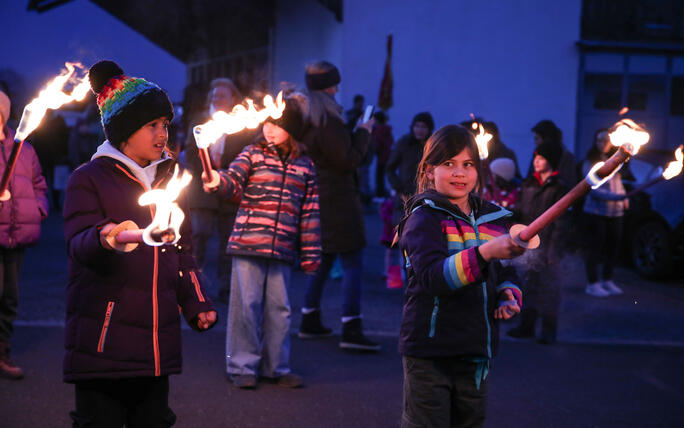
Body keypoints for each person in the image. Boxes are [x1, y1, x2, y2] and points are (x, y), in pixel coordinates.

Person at [63, 60, 216, 426]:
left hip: (154, 346)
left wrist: (195, 300)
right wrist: (106, 238)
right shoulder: (88, 179)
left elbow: (183, 250)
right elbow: (79, 243)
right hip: (104, 343)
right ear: (124, 132)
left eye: (165, 124)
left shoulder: (170, 180)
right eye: (152, 126)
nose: (162, 134)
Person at [396, 125, 524, 427]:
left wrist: (508, 292)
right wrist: (486, 253)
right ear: (429, 171)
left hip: (476, 350)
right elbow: (433, 278)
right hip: (430, 352)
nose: (459, 173)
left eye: (467, 165)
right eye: (449, 164)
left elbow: (507, 270)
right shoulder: (423, 218)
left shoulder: (494, 218)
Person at [203, 94, 321, 389]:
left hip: (282, 248)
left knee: (280, 310)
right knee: (246, 305)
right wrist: (218, 181)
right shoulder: (252, 153)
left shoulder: (305, 167)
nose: (269, 128)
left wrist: (310, 253)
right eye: (267, 122)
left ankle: (276, 367)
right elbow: (233, 182)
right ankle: (241, 366)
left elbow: (310, 214)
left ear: (292, 130)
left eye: (277, 125)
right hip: (248, 243)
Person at [296, 61, 378, 350]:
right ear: (327, 87)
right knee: (353, 259)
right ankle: (351, 328)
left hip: (319, 195)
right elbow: (347, 160)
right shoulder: (328, 121)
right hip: (339, 198)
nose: (337, 88)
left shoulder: (307, 118)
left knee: (326, 257)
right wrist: (364, 132)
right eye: (334, 84)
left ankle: (310, 318)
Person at [182, 78, 254, 303]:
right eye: (214, 96)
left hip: (230, 188)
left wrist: (226, 168)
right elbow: (191, 151)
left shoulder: (241, 123)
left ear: (233, 98)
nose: (217, 99)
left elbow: (246, 152)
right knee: (199, 236)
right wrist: (208, 168)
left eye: (222, 96)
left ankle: (226, 287)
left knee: (228, 240)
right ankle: (193, 285)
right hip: (202, 190)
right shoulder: (199, 120)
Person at [0, 87, 49, 380]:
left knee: (9, 296)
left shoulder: (24, 150)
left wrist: (37, 210)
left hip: (16, 235)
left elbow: (39, 185)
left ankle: (2, 351)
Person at [507, 140, 569, 344]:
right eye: (535, 157)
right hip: (529, 244)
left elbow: (561, 222)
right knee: (529, 284)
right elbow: (521, 210)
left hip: (549, 244)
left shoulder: (559, 188)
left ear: (550, 161)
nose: (536, 161)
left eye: (541, 158)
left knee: (550, 288)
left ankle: (549, 330)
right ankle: (527, 326)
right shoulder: (529, 184)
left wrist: (553, 251)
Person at [582, 128, 628, 297]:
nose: (603, 144)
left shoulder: (617, 160)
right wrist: (616, 196)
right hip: (596, 212)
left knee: (613, 247)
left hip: (615, 213)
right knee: (596, 247)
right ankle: (592, 283)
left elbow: (618, 182)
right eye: (599, 140)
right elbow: (592, 188)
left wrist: (624, 199)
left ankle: (607, 280)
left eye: (606, 140)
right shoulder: (591, 162)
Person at [527, 119, 577, 186]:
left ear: (547, 138)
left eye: (537, 138)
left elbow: (569, 183)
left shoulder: (566, 157)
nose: (535, 142)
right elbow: (531, 177)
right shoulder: (537, 153)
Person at [372, 111, 394, 198]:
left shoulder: (378, 130)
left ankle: (380, 193)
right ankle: (387, 192)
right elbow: (391, 141)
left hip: (381, 156)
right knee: (386, 174)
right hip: (388, 155)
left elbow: (377, 143)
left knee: (379, 176)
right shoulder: (387, 129)